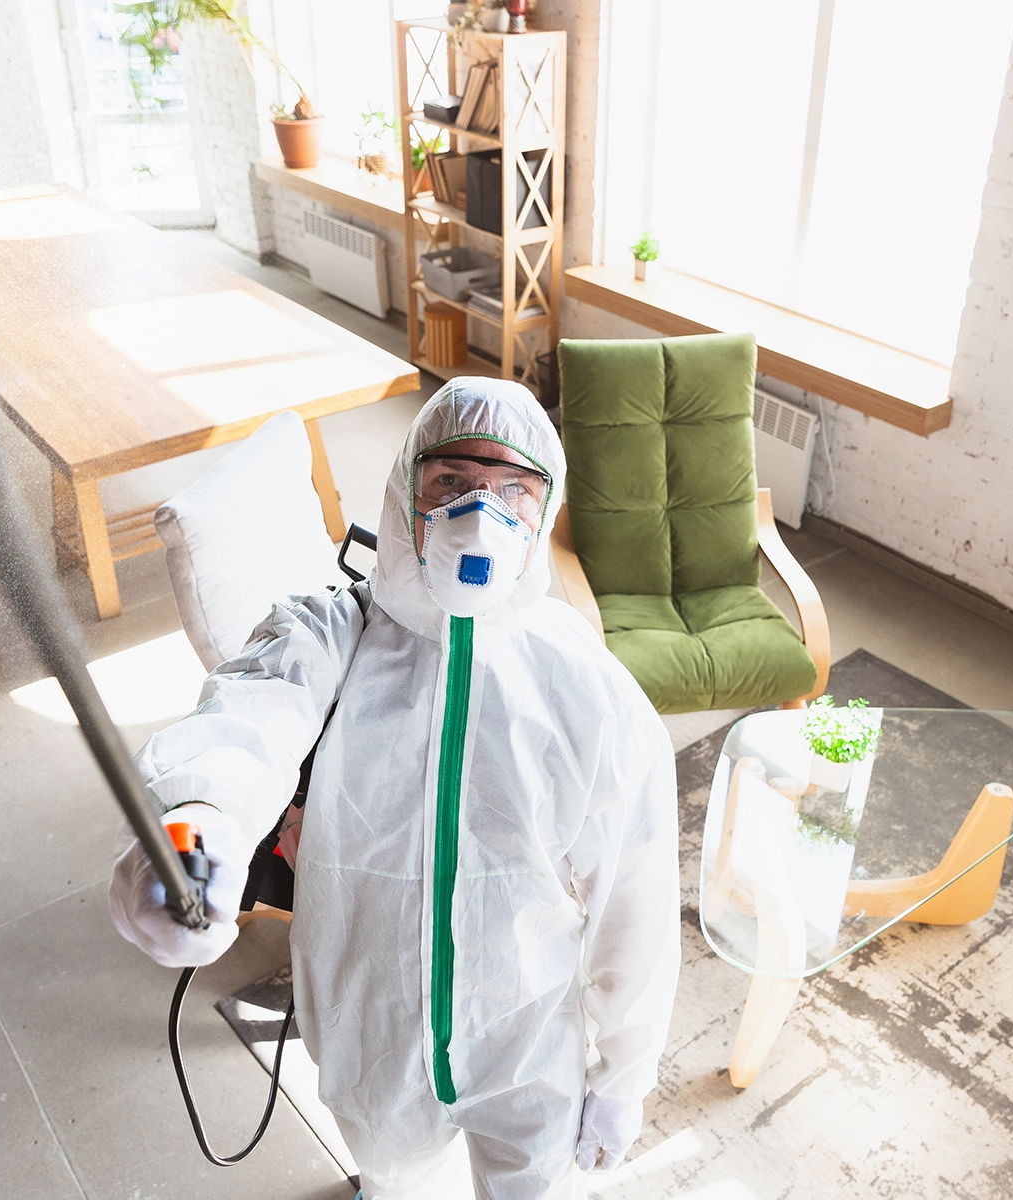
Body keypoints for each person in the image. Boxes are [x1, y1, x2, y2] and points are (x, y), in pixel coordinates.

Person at [109, 378, 680, 1200]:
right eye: (451, 483)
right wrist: (195, 831)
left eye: (512, 488)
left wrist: (625, 1074)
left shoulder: (588, 690)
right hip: (367, 1036)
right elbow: (247, 719)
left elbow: (638, 903)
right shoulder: (330, 631)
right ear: (406, 487)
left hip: (527, 1048)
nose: (481, 516)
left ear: (545, 506)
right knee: (394, 1184)